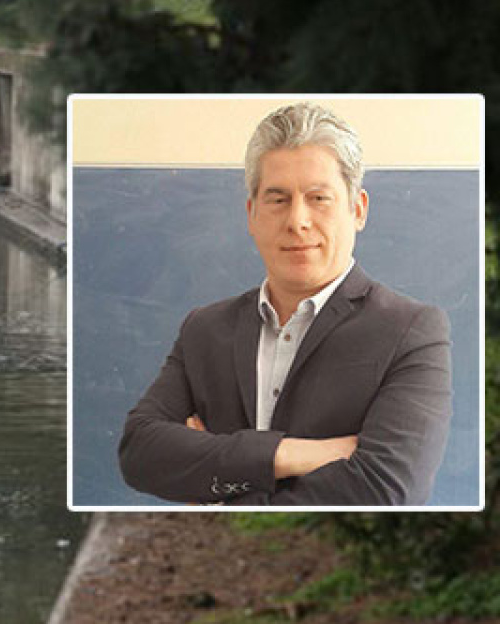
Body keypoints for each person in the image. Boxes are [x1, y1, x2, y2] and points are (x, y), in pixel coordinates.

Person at [117, 103, 452, 506]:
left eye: (318, 198)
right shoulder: (203, 329)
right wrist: (293, 454)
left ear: (358, 209)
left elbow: (387, 490)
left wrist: (220, 485)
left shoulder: (412, 331)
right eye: (278, 199)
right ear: (251, 214)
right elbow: (139, 453)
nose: (297, 220)